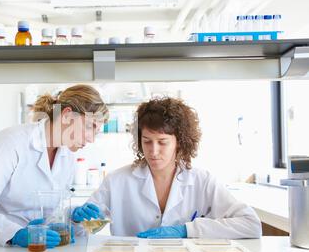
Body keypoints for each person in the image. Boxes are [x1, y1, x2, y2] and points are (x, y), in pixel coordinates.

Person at [73, 97, 262, 239]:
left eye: (162, 142)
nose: (153, 151)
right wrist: (78, 220)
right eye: (147, 142)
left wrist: (186, 230)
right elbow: (83, 231)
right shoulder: (117, 181)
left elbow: (251, 224)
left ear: (179, 142)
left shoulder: (201, 180)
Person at [0, 84, 108, 247]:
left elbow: (49, 212)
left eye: (96, 132)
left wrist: (71, 216)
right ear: (67, 115)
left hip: (34, 247)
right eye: (90, 127)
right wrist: (14, 233)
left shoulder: (67, 156)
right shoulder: (11, 142)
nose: (91, 139)